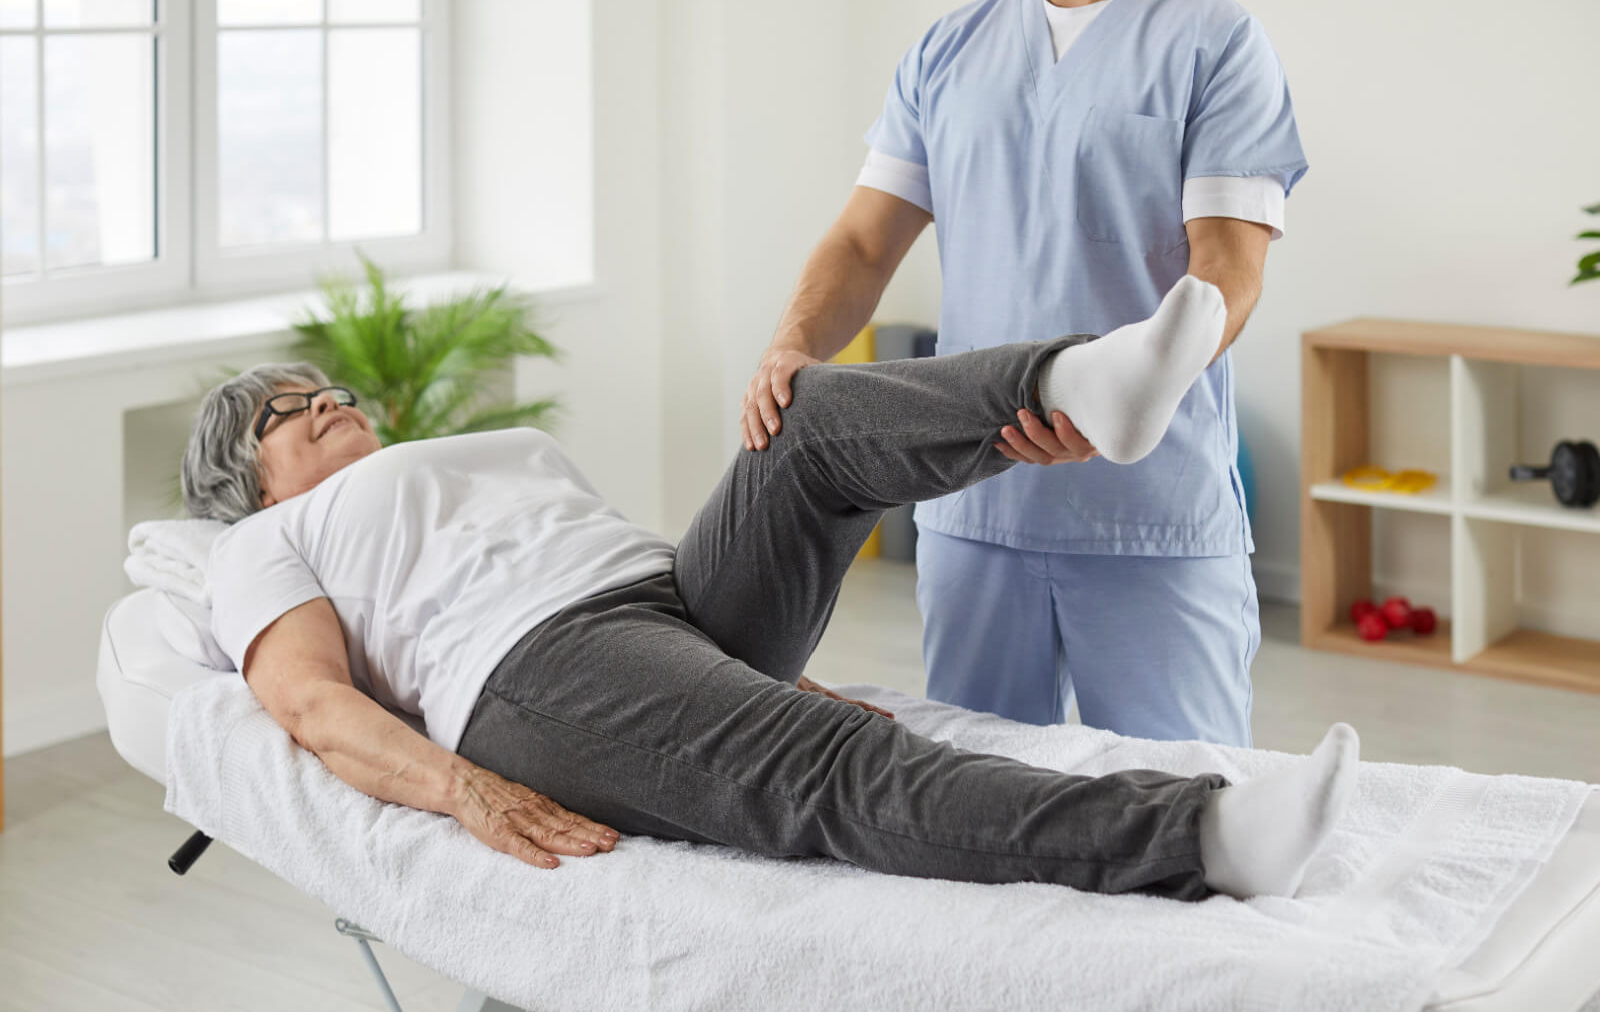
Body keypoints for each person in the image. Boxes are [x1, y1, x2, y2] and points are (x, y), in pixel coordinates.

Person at [181, 292, 1354, 902]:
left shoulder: (451, 458)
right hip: (530, 672)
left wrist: (748, 668)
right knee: (830, 763)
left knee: (808, 423)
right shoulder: (263, 544)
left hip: (664, 599)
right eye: (285, 412)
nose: (322, 400)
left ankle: (1080, 384)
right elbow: (309, 706)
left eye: (319, 387)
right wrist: (460, 790)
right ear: (248, 479)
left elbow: (593, 546)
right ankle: (1198, 835)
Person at [740, 0, 1307, 747]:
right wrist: (792, 343)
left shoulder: (1216, 41)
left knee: (1184, 802)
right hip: (973, 502)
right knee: (979, 803)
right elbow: (865, 243)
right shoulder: (948, 49)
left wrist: (1132, 391)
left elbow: (1226, 272)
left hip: (1147, 514)